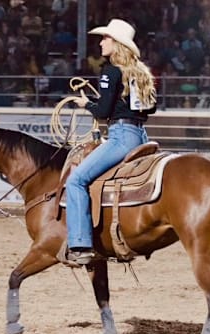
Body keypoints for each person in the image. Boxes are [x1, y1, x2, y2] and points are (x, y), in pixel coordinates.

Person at [64, 19, 157, 266]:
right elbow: (151, 109)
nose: (101, 42)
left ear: (116, 44)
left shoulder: (111, 71)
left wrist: (87, 105)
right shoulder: (140, 73)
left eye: (105, 38)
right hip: (140, 136)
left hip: (120, 137)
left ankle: (80, 244)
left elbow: (103, 112)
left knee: (76, 181)